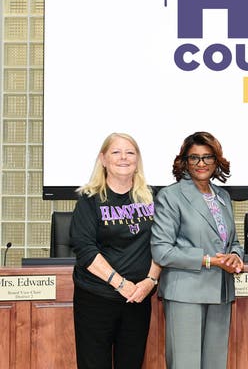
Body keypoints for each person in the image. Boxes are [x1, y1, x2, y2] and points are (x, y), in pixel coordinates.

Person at [151, 131, 244, 369]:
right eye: (194, 158)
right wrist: (210, 261)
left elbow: (231, 242)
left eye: (207, 157)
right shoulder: (170, 196)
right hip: (186, 294)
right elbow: (162, 251)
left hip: (221, 293)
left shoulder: (222, 196)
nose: (201, 164)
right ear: (184, 162)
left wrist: (235, 256)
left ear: (217, 161)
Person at [69, 133, 161, 369]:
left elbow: (162, 243)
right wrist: (121, 284)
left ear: (137, 159)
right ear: (103, 159)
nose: (123, 158)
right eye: (116, 152)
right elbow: (85, 250)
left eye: (130, 152)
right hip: (96, 299)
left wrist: (150, 281)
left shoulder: (152, 199)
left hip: (138, 298)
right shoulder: (89, 200)